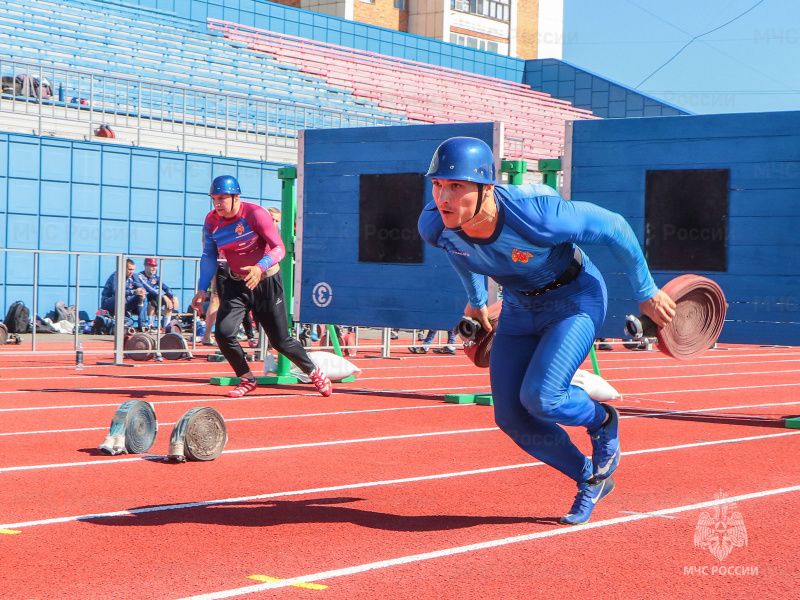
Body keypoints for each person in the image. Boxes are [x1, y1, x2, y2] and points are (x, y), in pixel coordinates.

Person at [418, 137, 676, 525]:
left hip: (575, 301)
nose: (444, 196)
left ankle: (603, 422)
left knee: (542, 398)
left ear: (486, 188)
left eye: (456, 186)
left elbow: (615, 227)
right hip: (519, 307)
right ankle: (590, 477)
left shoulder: (537, 215)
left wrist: (646, 291)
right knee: (510, 416)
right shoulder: (435, 224)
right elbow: (460, 254)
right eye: (438, 184)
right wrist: (474, 299)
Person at [190, 175, 332, 398]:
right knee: (224, 333)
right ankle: (247, 378)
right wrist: (201, 288)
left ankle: (313, 371)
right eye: (214, 199)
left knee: (281, 341)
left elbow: (279, 248)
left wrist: (259, 267)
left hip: (266, 281)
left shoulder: (256, 214)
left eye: (222, 198)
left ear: (236, 197)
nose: (217, 204)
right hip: (237, 283)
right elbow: (209, 254)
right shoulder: (211, 221)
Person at [100, 258, 148, 329]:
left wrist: (142, 292)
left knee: (143, 297)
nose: (131, 272)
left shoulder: (134, 276)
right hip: (109, 301)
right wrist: (134, 292)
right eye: (129, 269)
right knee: (121, 297)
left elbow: (141, 287)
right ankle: (124, 320)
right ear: (123, 268)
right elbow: (116, 291)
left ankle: (142, 325)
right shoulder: (116, 275)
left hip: (126, 301)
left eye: (133, 269)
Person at [135, 257, 176, 330]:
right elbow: (149, 289)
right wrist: (164, 296)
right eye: (151, 266)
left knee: (169, 301)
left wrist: (173, 296)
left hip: (154, 299)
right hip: (140, 302)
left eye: (155, 266)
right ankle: (150, 325)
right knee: (151, 300)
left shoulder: (156, 277)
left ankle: (166, 327)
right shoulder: (140, 276)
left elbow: (165, 287)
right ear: (145, 266)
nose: (154, 268)